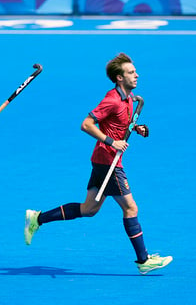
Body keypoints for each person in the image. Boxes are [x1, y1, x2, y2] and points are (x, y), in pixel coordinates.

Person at [24, 53, 173, 275]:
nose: (137, 75)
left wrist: (135, 129)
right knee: (131, 208)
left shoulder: (129, 99)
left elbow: (118, 124)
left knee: (89, 209)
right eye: (131, 72)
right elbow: (86, 124)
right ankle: (143, 261)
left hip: (103, 160)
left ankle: (37, 218)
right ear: (119, 78)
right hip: (108, 162)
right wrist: (112, 141)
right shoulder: (112, 99)